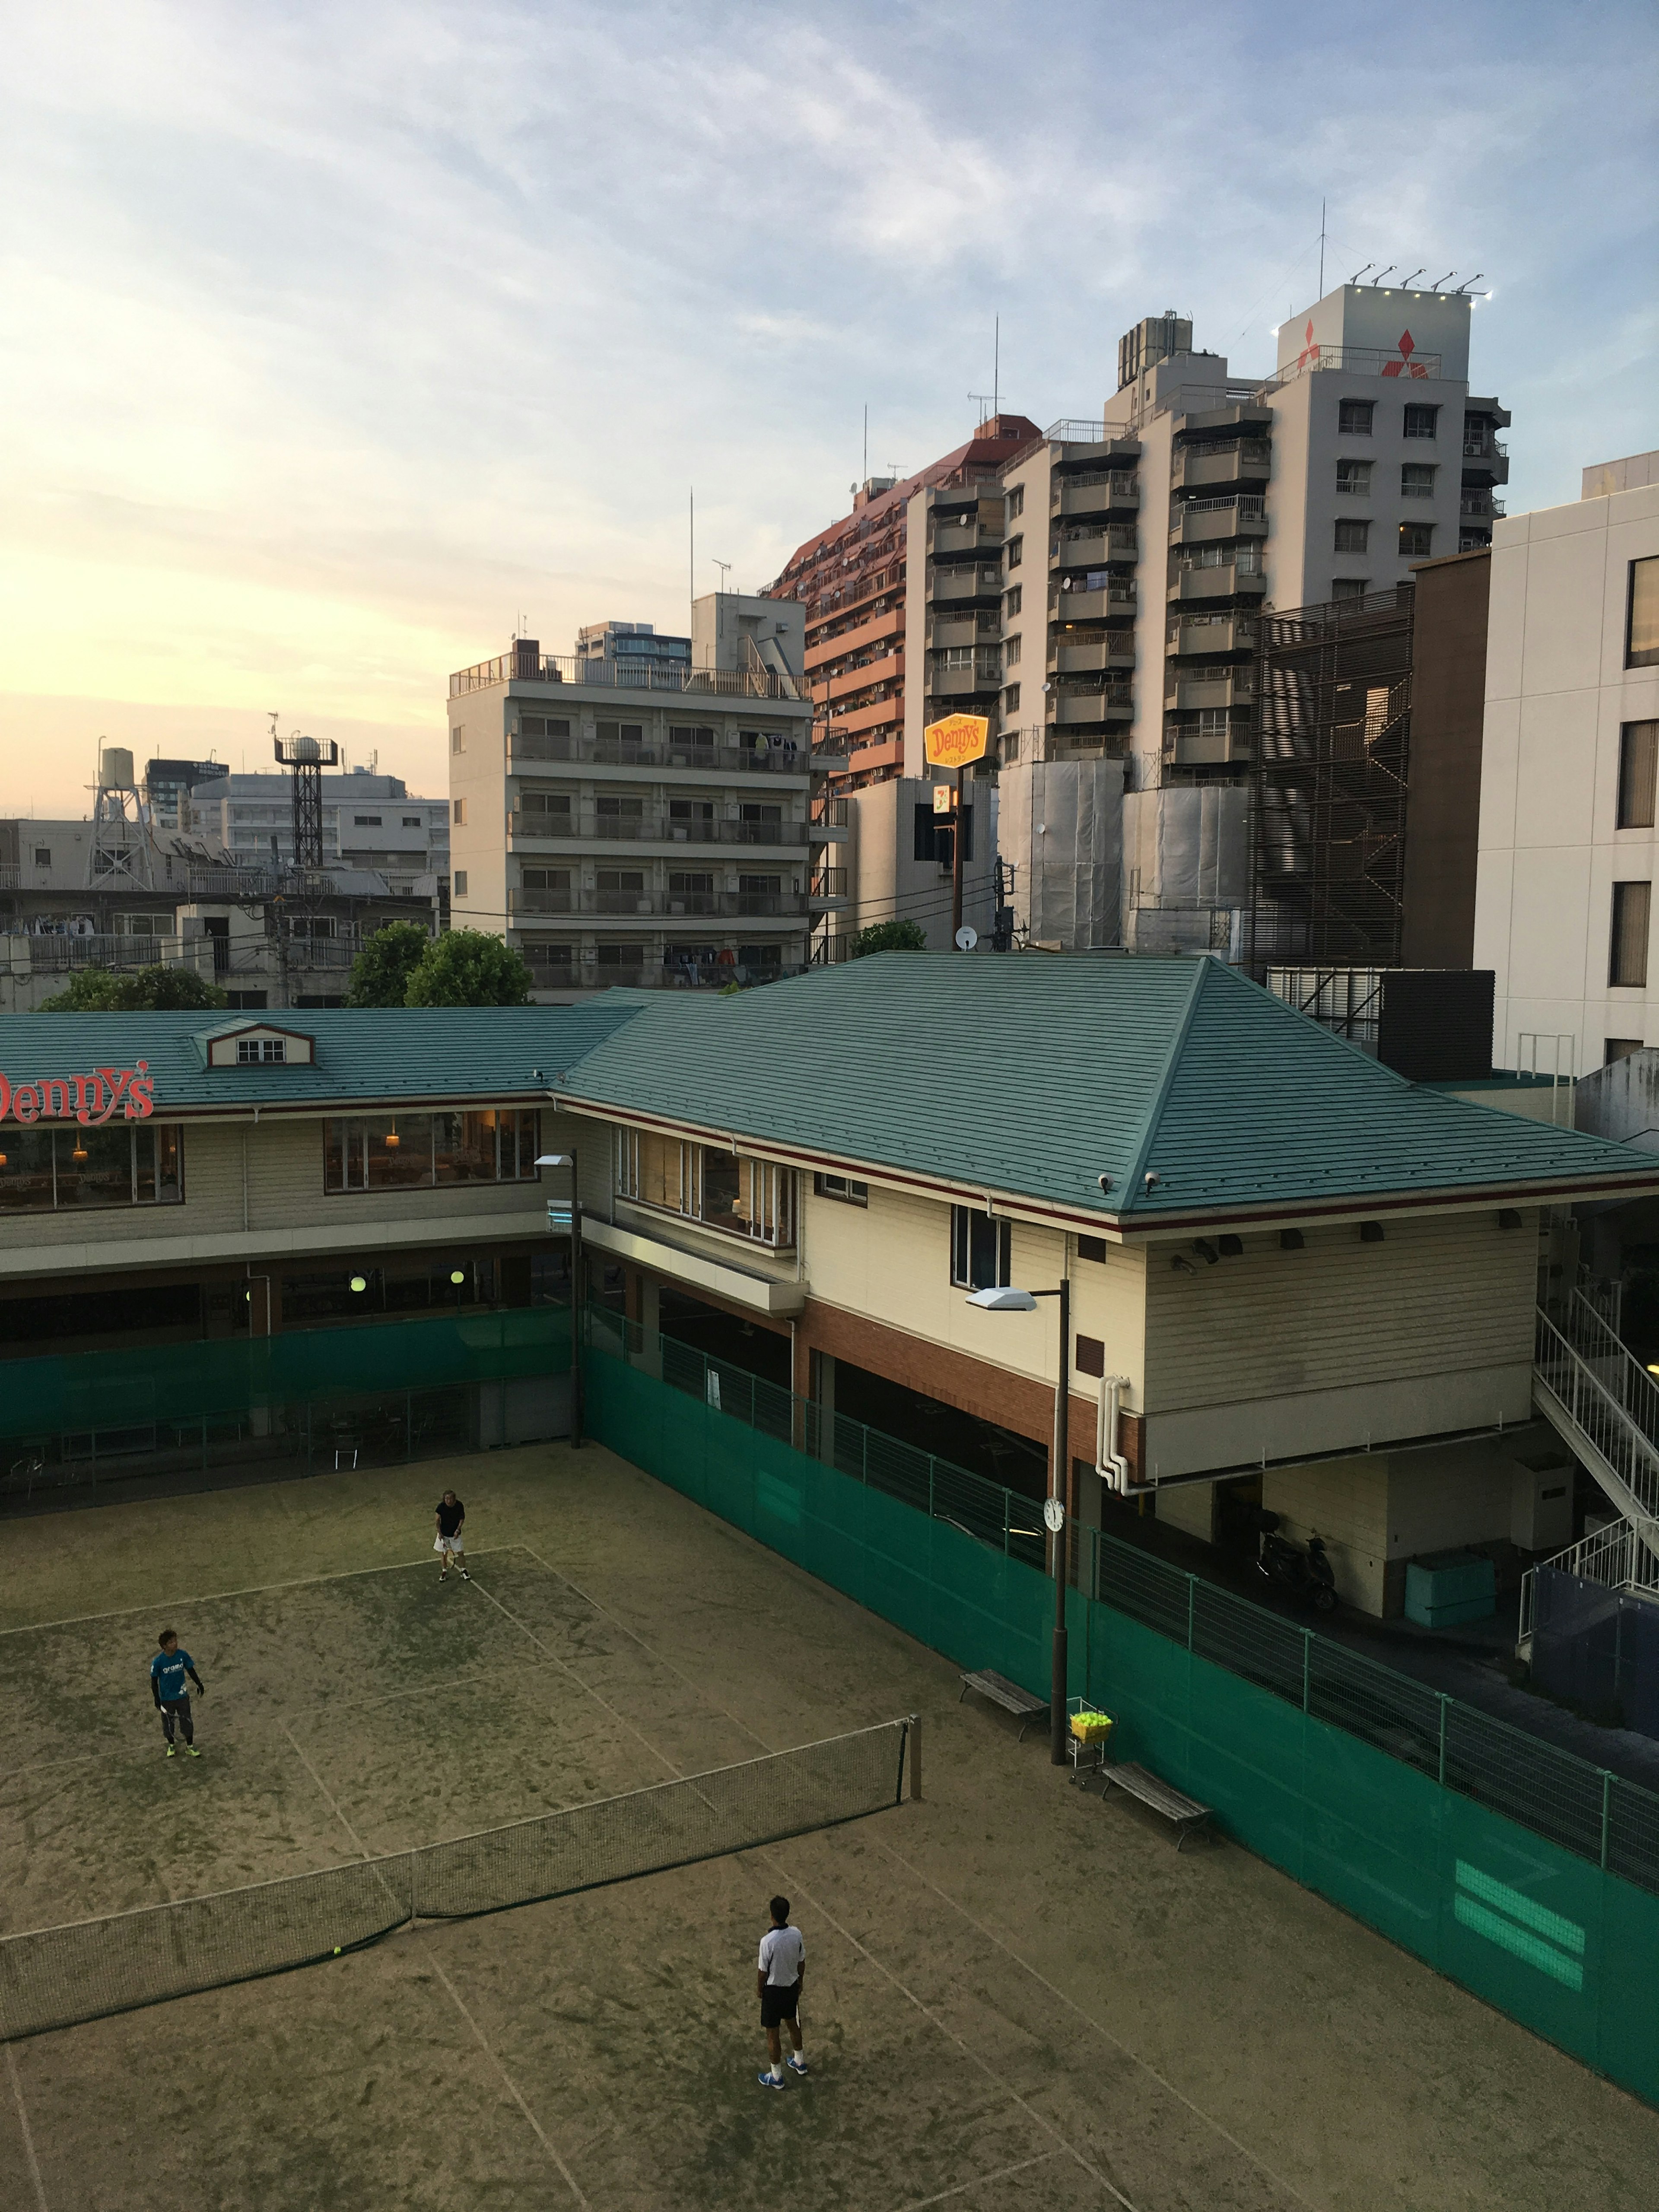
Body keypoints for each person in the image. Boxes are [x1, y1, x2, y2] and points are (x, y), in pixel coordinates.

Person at [755, 1894, 807, 2089]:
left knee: (773, 2034)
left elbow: (763, 1973)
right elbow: (802, 1962)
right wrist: (800, 1983)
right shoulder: (797, 1934)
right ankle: (800, 2062)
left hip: (773, 1994)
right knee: (793, 2024)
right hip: (791, 1989)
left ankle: (776, 2077)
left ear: (772, 1916)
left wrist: (760, 1990)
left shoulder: (767, 1942)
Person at [150, 1629, 204, 1759]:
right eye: (171, 1642)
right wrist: (157, 1699)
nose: (175, 1644)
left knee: (187, 1721)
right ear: (164, 1646)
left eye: (175, 1641)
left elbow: (191, 1670)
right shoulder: (158, 1662)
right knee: (169, 1724)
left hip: (182, 1696)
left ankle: (190, 1747)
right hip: (167, 1699)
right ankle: (171, 1745)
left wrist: (199, 1684)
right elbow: (154, 1681)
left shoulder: (183, 1655)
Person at [434, 1490, 467, 1582]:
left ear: (454, 1499)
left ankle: (464, 1571)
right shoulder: (441, 1507)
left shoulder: (459, 1506)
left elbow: (462, 1519)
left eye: (451, 1499)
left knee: (460, 1553)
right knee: (443, 1553)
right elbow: (437, 1521)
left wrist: (458, 1530)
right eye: (447, 1499)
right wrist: (440, 1533)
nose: (449, 1501)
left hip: (455, 1535)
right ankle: (444, 1572)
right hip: (443, 1534)